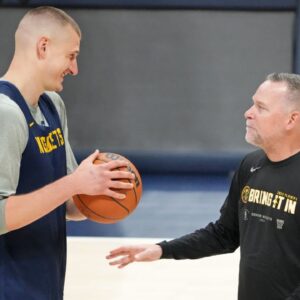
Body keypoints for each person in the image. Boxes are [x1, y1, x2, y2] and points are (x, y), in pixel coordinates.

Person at [107, 72, 300, 300]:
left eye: (261, 107)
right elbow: (224, 235)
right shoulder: (250, 166)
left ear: (292, 119)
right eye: (252, 104)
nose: (248, 113)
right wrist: (163, 249)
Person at [0, 6, 135, 300]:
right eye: (71, 56)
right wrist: (75, 184)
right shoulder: (5, 113)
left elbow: (67, 204)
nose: (74, 69)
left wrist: (100, 193)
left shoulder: (52, 104)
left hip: (46, 284)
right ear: (43, 47)